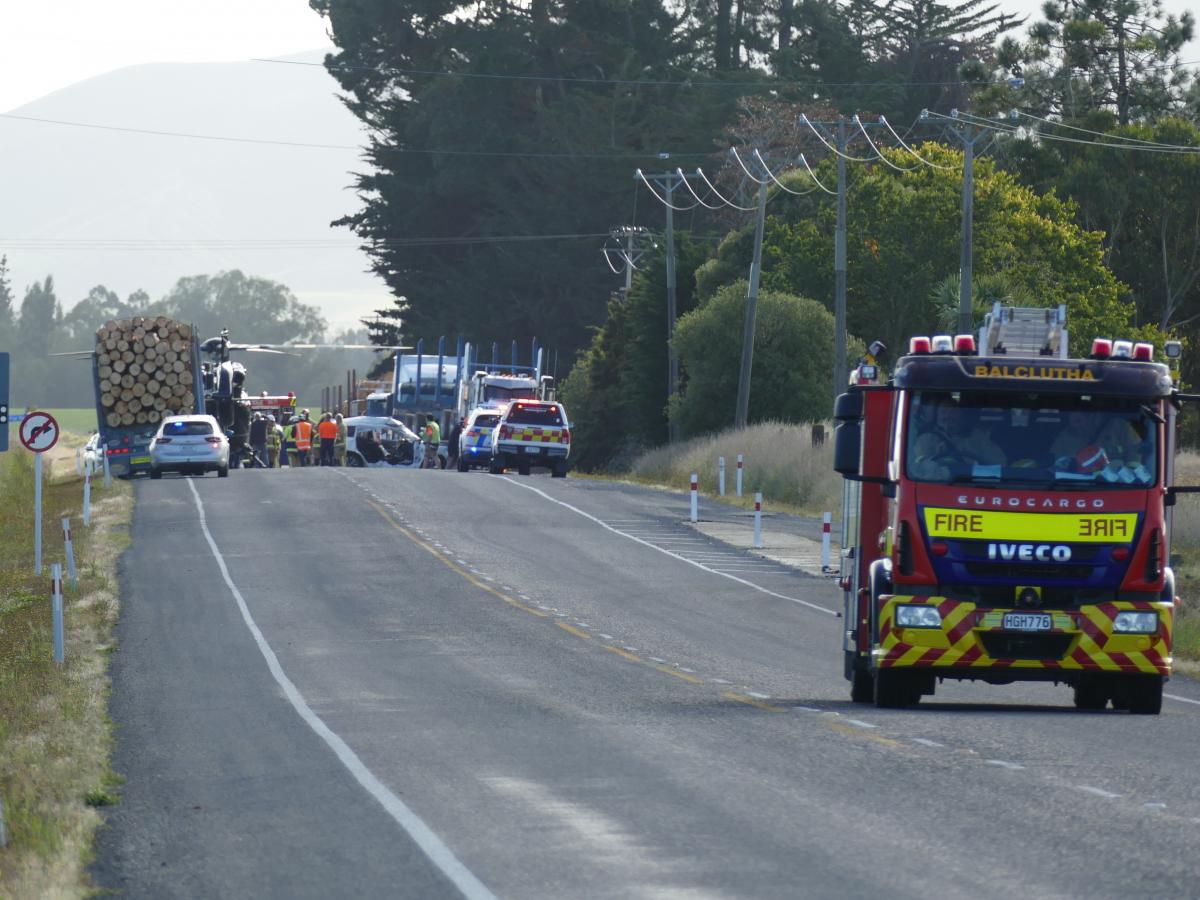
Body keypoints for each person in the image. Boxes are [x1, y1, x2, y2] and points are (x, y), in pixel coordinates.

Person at [910, 402, 1004, 480]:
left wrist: (973, 462)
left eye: (952, 417)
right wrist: (950, 468)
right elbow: (920, 472)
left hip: (976, 484)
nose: (948, 416)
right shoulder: (927, 439)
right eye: (944, 418)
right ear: (937, 417)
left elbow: (1001, 465)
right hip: (944, 485)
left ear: (963, 418)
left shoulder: (978, 439)